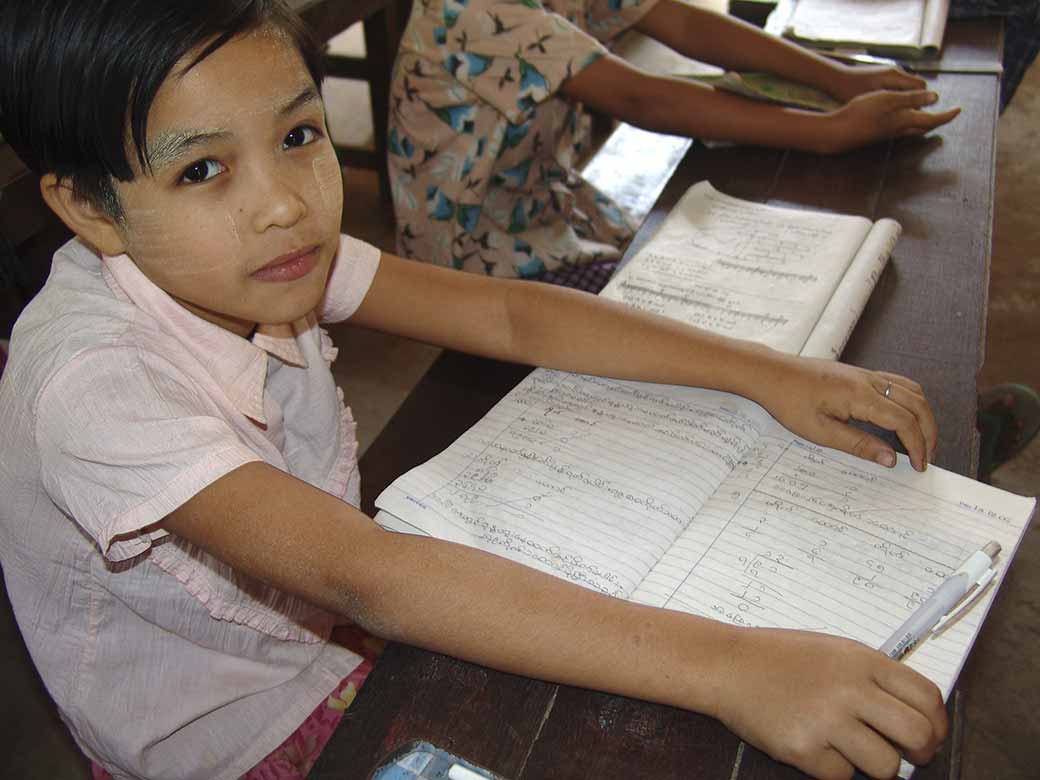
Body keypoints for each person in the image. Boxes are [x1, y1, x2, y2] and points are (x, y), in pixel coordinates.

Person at [0, 2, 947, 779]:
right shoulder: (95, 381)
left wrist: (768, 372)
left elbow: (507, 318)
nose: (284, 200)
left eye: (298, 134)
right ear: (88, 207)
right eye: (202, 168)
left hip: (325, 635)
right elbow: (365, 575)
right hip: (230, 735)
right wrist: (737, 665)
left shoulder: (254, 256)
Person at [387, 0, 960, 280]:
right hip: (482, 266)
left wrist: (835, 77)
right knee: (683, 324)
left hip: (549, 211)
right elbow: (645, 100)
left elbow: (681, 23)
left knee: (728, 272)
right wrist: (826, 133)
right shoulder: (470, 8)